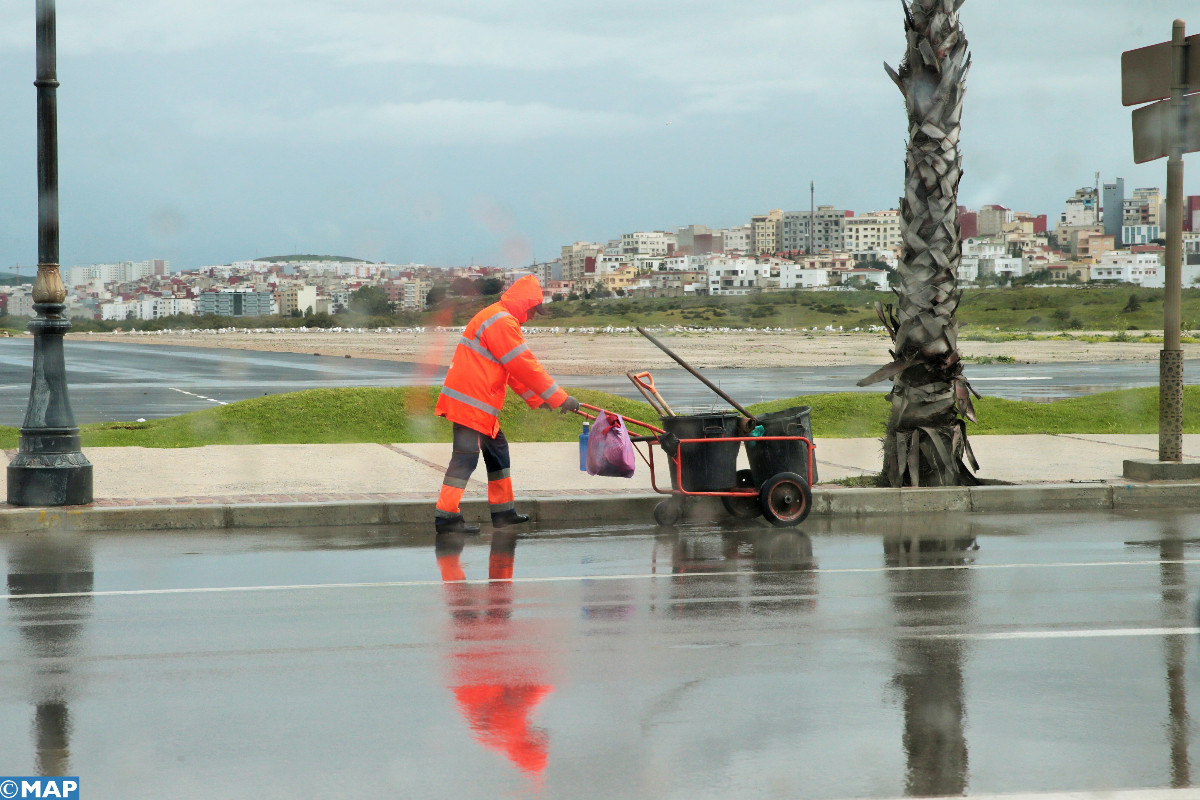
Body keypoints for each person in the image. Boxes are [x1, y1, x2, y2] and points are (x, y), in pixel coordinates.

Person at [433, 274, 579, 534]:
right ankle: (447, 518)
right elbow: (524, 365)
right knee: (465, 459)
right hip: (471, 403)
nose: (532, 317)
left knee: (498, 452)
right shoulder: (501, 321)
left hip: (478, 403)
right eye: (533, 311)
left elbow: (511, 369)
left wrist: (537, 398)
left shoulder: (498, 317)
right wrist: (559, 397)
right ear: (526, 304)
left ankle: (503, 513)